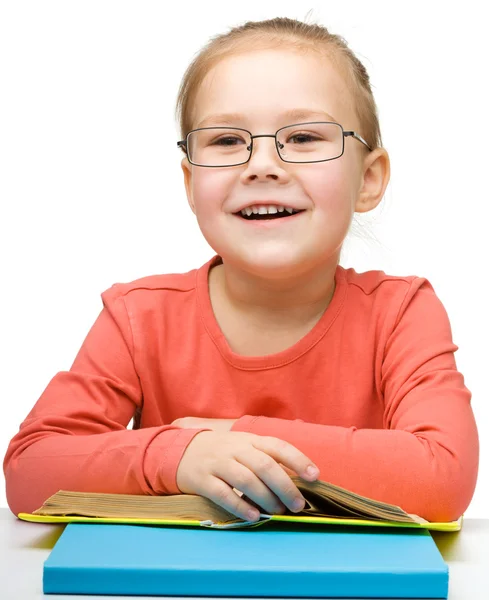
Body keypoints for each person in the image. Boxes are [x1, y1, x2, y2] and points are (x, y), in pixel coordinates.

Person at [3, 17, 479, 523]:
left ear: (368, 179)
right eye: (228, 141)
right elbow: (31, 470)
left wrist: (230, 438)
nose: (262, 165)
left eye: (302, 137)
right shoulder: (138, 317)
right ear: (190, 183)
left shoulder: (401, 312)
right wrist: (177, 454)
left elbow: (442, 477)